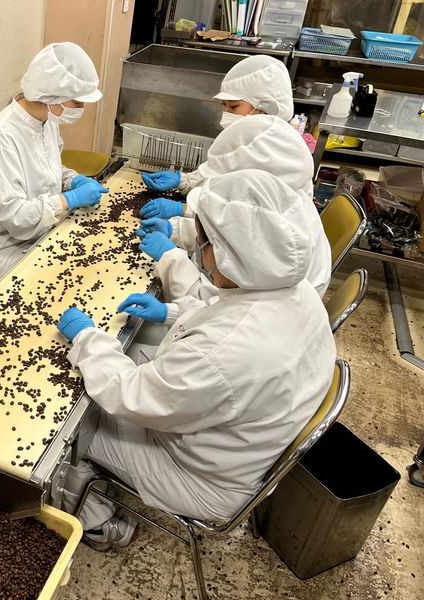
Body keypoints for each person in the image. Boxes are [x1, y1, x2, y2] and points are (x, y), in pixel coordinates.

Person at [55, 170, 337, 550]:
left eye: (204, 241)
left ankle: (99, 527)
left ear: (227, 254)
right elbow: (226, 313)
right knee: (131, 353)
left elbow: (131, 395)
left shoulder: (224, 353)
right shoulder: (297, 292)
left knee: (66, 435)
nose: (200, 249)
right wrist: (169, 312)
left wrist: (87, 339)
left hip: (201, 478)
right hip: (239, 446)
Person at [137, 115, 331, 302]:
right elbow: (233, 236)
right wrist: (177, 230)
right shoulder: (283, 205)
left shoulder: (277, 257)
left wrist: (172, 261)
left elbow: (213, 303)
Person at [0, 42, 108, 281]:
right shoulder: (1, 139)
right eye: (77, 102)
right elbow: (16, 217)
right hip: (4, 247)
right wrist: (69, 199)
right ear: (53, 96)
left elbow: (49, 167)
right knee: (72, 281)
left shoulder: (47, 120)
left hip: (42, 231)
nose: (82, 108)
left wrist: (74, 181)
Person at [142, 54, 294, 196]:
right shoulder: (246, 138)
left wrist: (185, 211)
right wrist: (184, 180)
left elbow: (245, 209)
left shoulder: (277, 153)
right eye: (224, 105)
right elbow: (220, 178)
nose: (226, 113)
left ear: (264, 108)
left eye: (233, 106)